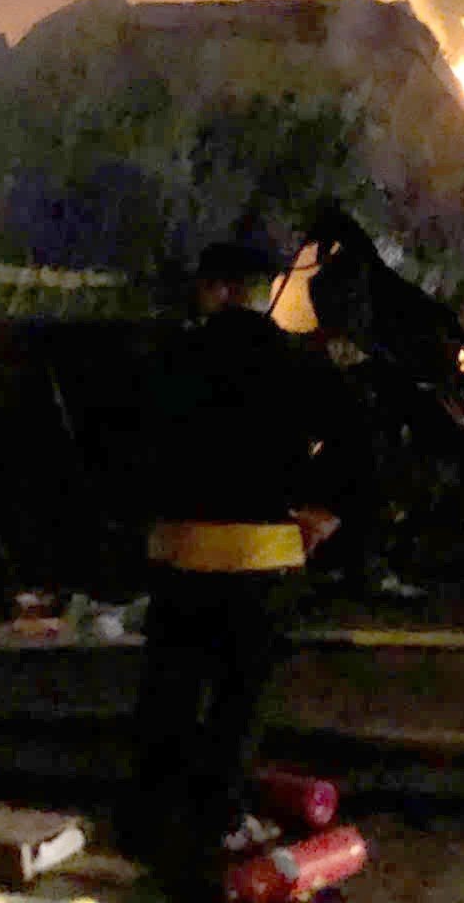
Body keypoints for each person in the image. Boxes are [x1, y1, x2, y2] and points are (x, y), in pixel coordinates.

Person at [126, 242, 344, 891]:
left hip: (180, 553)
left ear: (214, 288)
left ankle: (148, 816)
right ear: (258, 289)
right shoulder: (300, 363)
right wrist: (321, 512)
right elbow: (356, 444)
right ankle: (220, 816)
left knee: (169, 691)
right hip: (264, 558)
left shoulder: (171, 358)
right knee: (237, 701)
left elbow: (125, 447)